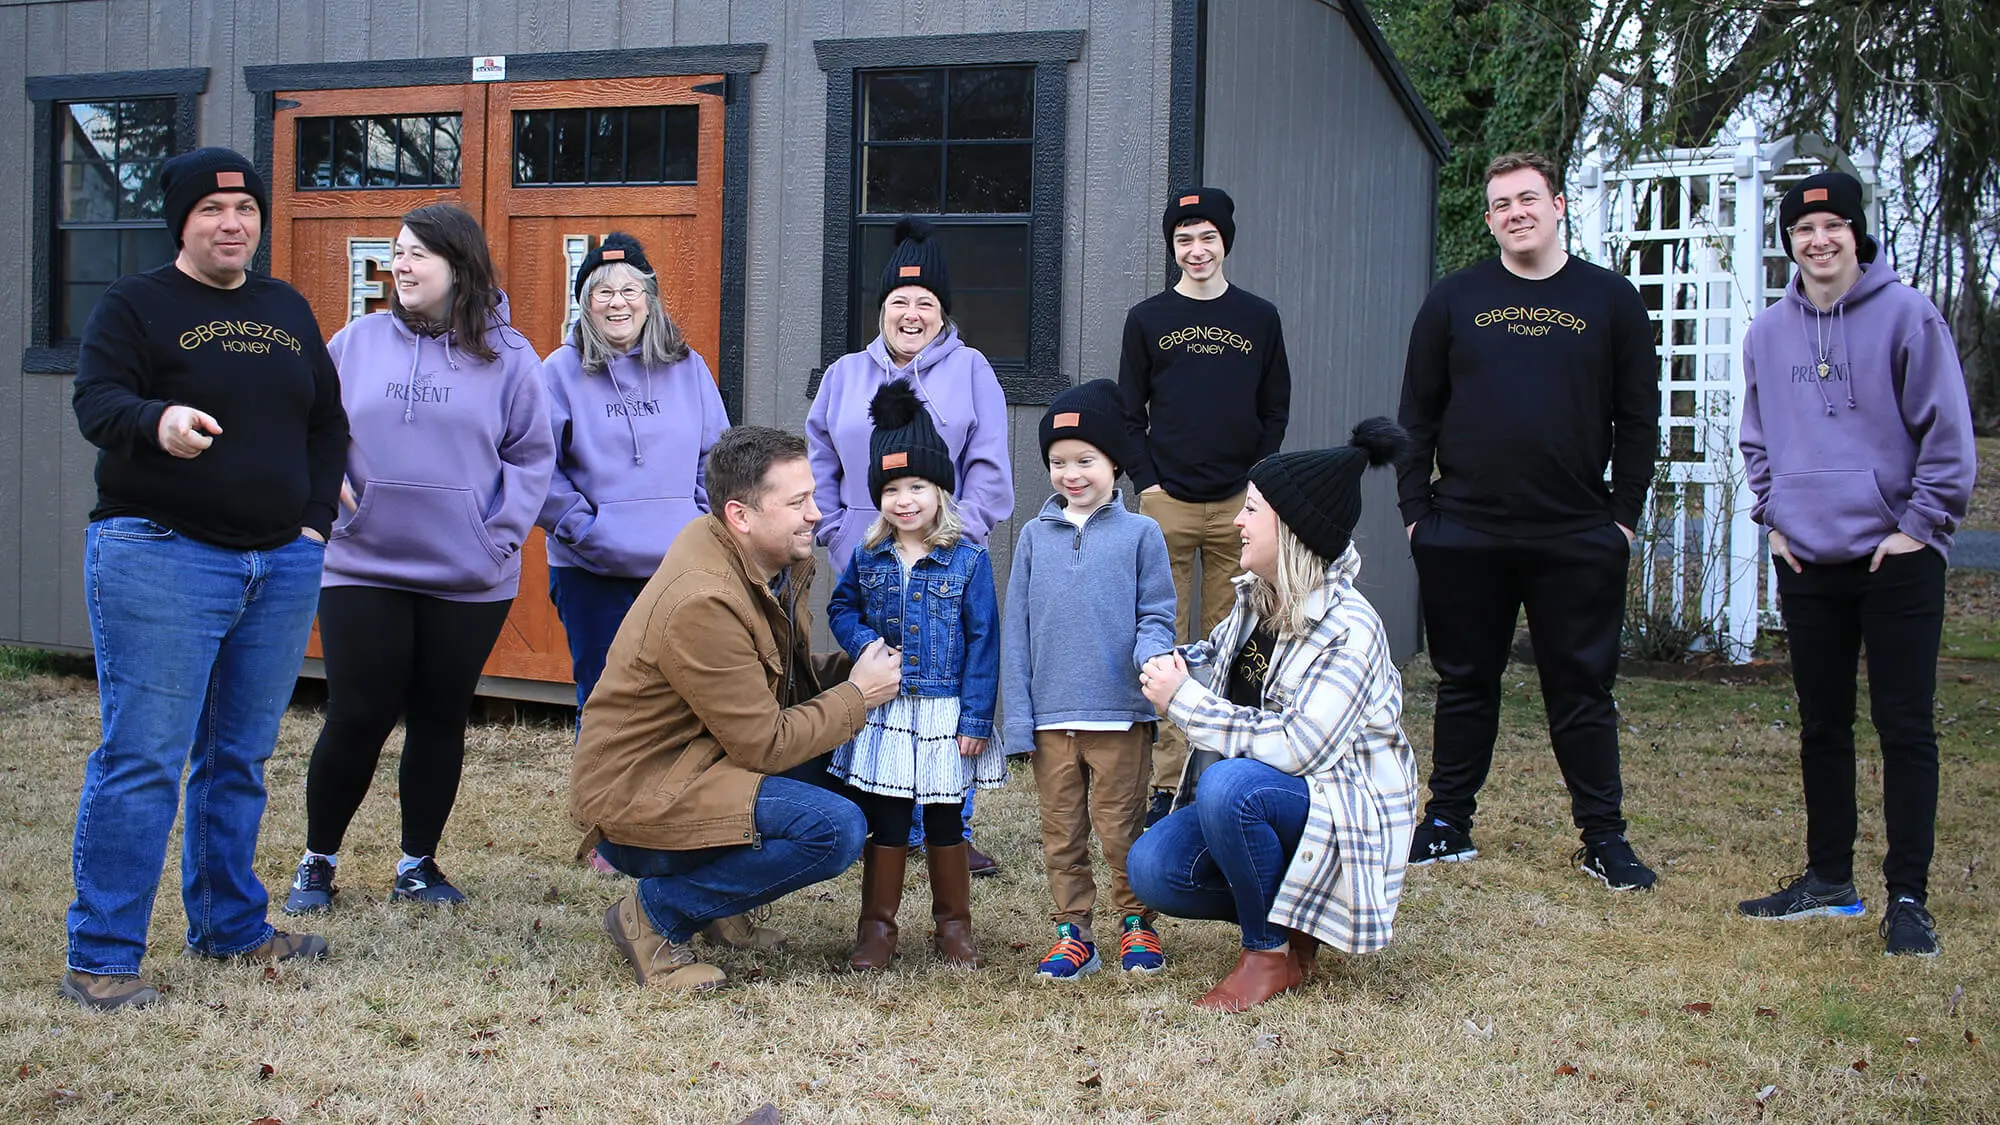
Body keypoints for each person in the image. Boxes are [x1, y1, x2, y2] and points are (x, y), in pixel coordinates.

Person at [64, 146, 347, 1009]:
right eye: (213, 210)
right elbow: (96, 403)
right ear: (181, 221)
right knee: (143, 757)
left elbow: (326, 423)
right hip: (161, 552)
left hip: (278, 562)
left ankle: (230, 924)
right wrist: (160, 420)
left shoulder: (286, 307)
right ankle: (103, 956)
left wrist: (311, 527)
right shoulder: (135, 304)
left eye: (246, 210)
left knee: (239, 757)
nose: (233, 224)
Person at [1396, 151, 1661, 890]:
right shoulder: (1454, 299)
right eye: (1501, 204)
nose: (1515, 212)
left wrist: (1624, 521)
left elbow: (1640, 418)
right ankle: (1447, 822)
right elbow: (1416, 414)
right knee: (1465, 681)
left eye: (1527, 199)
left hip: (1576, 532)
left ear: (1559, 204)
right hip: (1466, 531)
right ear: (1489, 219)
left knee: (1582, 689)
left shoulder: (1611, 300)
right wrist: (1419, 514)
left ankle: (1604, 838)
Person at [284, 203, 554, 913]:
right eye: (397, 252)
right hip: (362, 560)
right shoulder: (355, 341)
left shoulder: (511, 355)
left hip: (470, 572)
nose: (400, 265)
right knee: (358, 711)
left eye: (418, 255)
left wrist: (497, 534)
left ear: (458, 267)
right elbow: (315, 424)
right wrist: (327, 487)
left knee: (439, 714)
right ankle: (318, 860)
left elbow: (532, 455)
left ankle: (416, 863)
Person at [1734, 171, 1976, 956]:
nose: (1819, 240)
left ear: (1856, 232)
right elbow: (1757, 436)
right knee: (1821, 726)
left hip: (1894, 557)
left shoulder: (1909, 316)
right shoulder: (1768, 333)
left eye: (1833, 225)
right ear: (1790, 243)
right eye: (1804, 230)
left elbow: (1948, 437)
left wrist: (1920, 527)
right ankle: (1829, 878)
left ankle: (1909, 896)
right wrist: (1773, 517)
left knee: (1904, 728)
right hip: (1807, 558)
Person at [569, 426, 903, 991]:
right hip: (642, 795)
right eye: (797, 502)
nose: (816, 514)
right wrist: (858, 695)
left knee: (862, 773)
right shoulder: (703, 598)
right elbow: (765, 743)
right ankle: (654, 914)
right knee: (833, 828)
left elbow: (774, 686)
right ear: (740, 515)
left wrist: (852, 670)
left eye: (813, 496)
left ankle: (719, 906)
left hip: (700, 762)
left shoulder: (758, 563)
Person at [1129, 421, 1419, 1013]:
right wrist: (1167, 662)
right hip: (1279, 800)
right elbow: (1214, 661)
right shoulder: (1258, 597)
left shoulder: (1349, 628)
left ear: (1290, 528)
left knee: (1229, 784)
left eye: (1252, 509)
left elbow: (1297, 748)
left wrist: (1181, 699)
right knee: (1153, 869)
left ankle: (1267, 953)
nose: (1238, 519)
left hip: (1341, 808)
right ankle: (1296, 922)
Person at [807, 216, 1012, 873]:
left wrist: (955, 541)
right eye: (900, 300)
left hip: (944, 566)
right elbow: (819, 460)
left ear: (943, 312)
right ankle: (889, 818)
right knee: (879, 685)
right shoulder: (843, 374)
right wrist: (837, 532)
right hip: (866, 562)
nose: (912, 312)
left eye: (926, 302)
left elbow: (989, 470)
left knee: (943, 686)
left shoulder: (973, 371)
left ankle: (951, 822)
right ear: (882, 309)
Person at [1118, 187, 1291, 825]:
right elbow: (1128, 412)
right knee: (1166, 644)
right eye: (1184, 238)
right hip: (1169, 503)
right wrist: (1148, 482)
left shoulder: (1259, 318)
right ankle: (1166, 786)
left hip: (1240, 507)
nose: (1197, 250)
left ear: (1225, 242)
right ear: (1173, 246)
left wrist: (1258, 485)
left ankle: (1216, 778)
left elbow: (1275, 411)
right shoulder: (1148, 319)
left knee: (1236, 647)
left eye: (1207, 237)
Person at [827, 381, 1005, 971]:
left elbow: (984, 641)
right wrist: (866, 646)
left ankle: (953, 928)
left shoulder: (967, 558)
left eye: (918, 487)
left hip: (944, 711)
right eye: (893, 489)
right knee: (889, 819)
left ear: (940, 490)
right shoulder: (868, 555)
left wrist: (977, 717)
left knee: (946, 817)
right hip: (887, 709)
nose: (905, 500)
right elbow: (841, 610)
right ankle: (877, 929)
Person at [1003, 380, 1178, 980]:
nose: (1071, 474)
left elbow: (1157, 614)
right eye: (1058, 462)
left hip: (1119, 715)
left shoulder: (1141, 535)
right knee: (1062, 834)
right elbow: (1018, 633)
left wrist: (1151, 658)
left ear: (1112, 464)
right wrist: (1020, 723)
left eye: (1085, 461)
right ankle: (1073, 932)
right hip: (1053, 720)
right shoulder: (1032, 537)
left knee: (1120, 828)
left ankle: (1135, 924)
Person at [539, 232, 729, 714]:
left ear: (650, 300)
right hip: (590, 571)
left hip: (678, 568)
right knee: (607, 704)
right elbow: (538, 466)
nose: (617, 303)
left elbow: (718, 457)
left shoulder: (689, 368)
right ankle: (602, 793)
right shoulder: (558, 372)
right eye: (602, 291)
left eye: (630, 290)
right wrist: (585, 530)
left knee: (686, 703)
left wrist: (697, 525)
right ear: (585, 304)